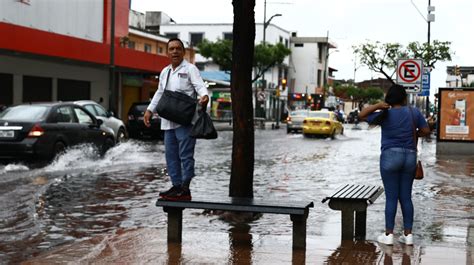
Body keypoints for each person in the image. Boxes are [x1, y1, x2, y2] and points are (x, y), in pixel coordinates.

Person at [358, 84, 430, 246]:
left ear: (389, 98)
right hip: (410, 157)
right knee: (406, 197)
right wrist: (415, 133)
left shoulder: (385, 114)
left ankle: (389, 235)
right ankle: (408, 235)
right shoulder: (413, 112)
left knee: (391, 197)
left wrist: (378, 105)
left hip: (390, 156)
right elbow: (426, 130)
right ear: (404, 98)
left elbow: (362, 115)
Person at [144, 38, 209, 201]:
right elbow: (159, 93)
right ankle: (176, 186)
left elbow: (200, 85)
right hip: (168, 121)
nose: (174, 51)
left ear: (183, 52)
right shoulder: (165, 71)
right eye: (171, 49)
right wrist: (149, 110)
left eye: (178, 49)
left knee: (186, 155)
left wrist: (204, 96)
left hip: (185, 121)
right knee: (171, 155)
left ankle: (185, 188)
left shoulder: (190, 69)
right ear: (167, 52)